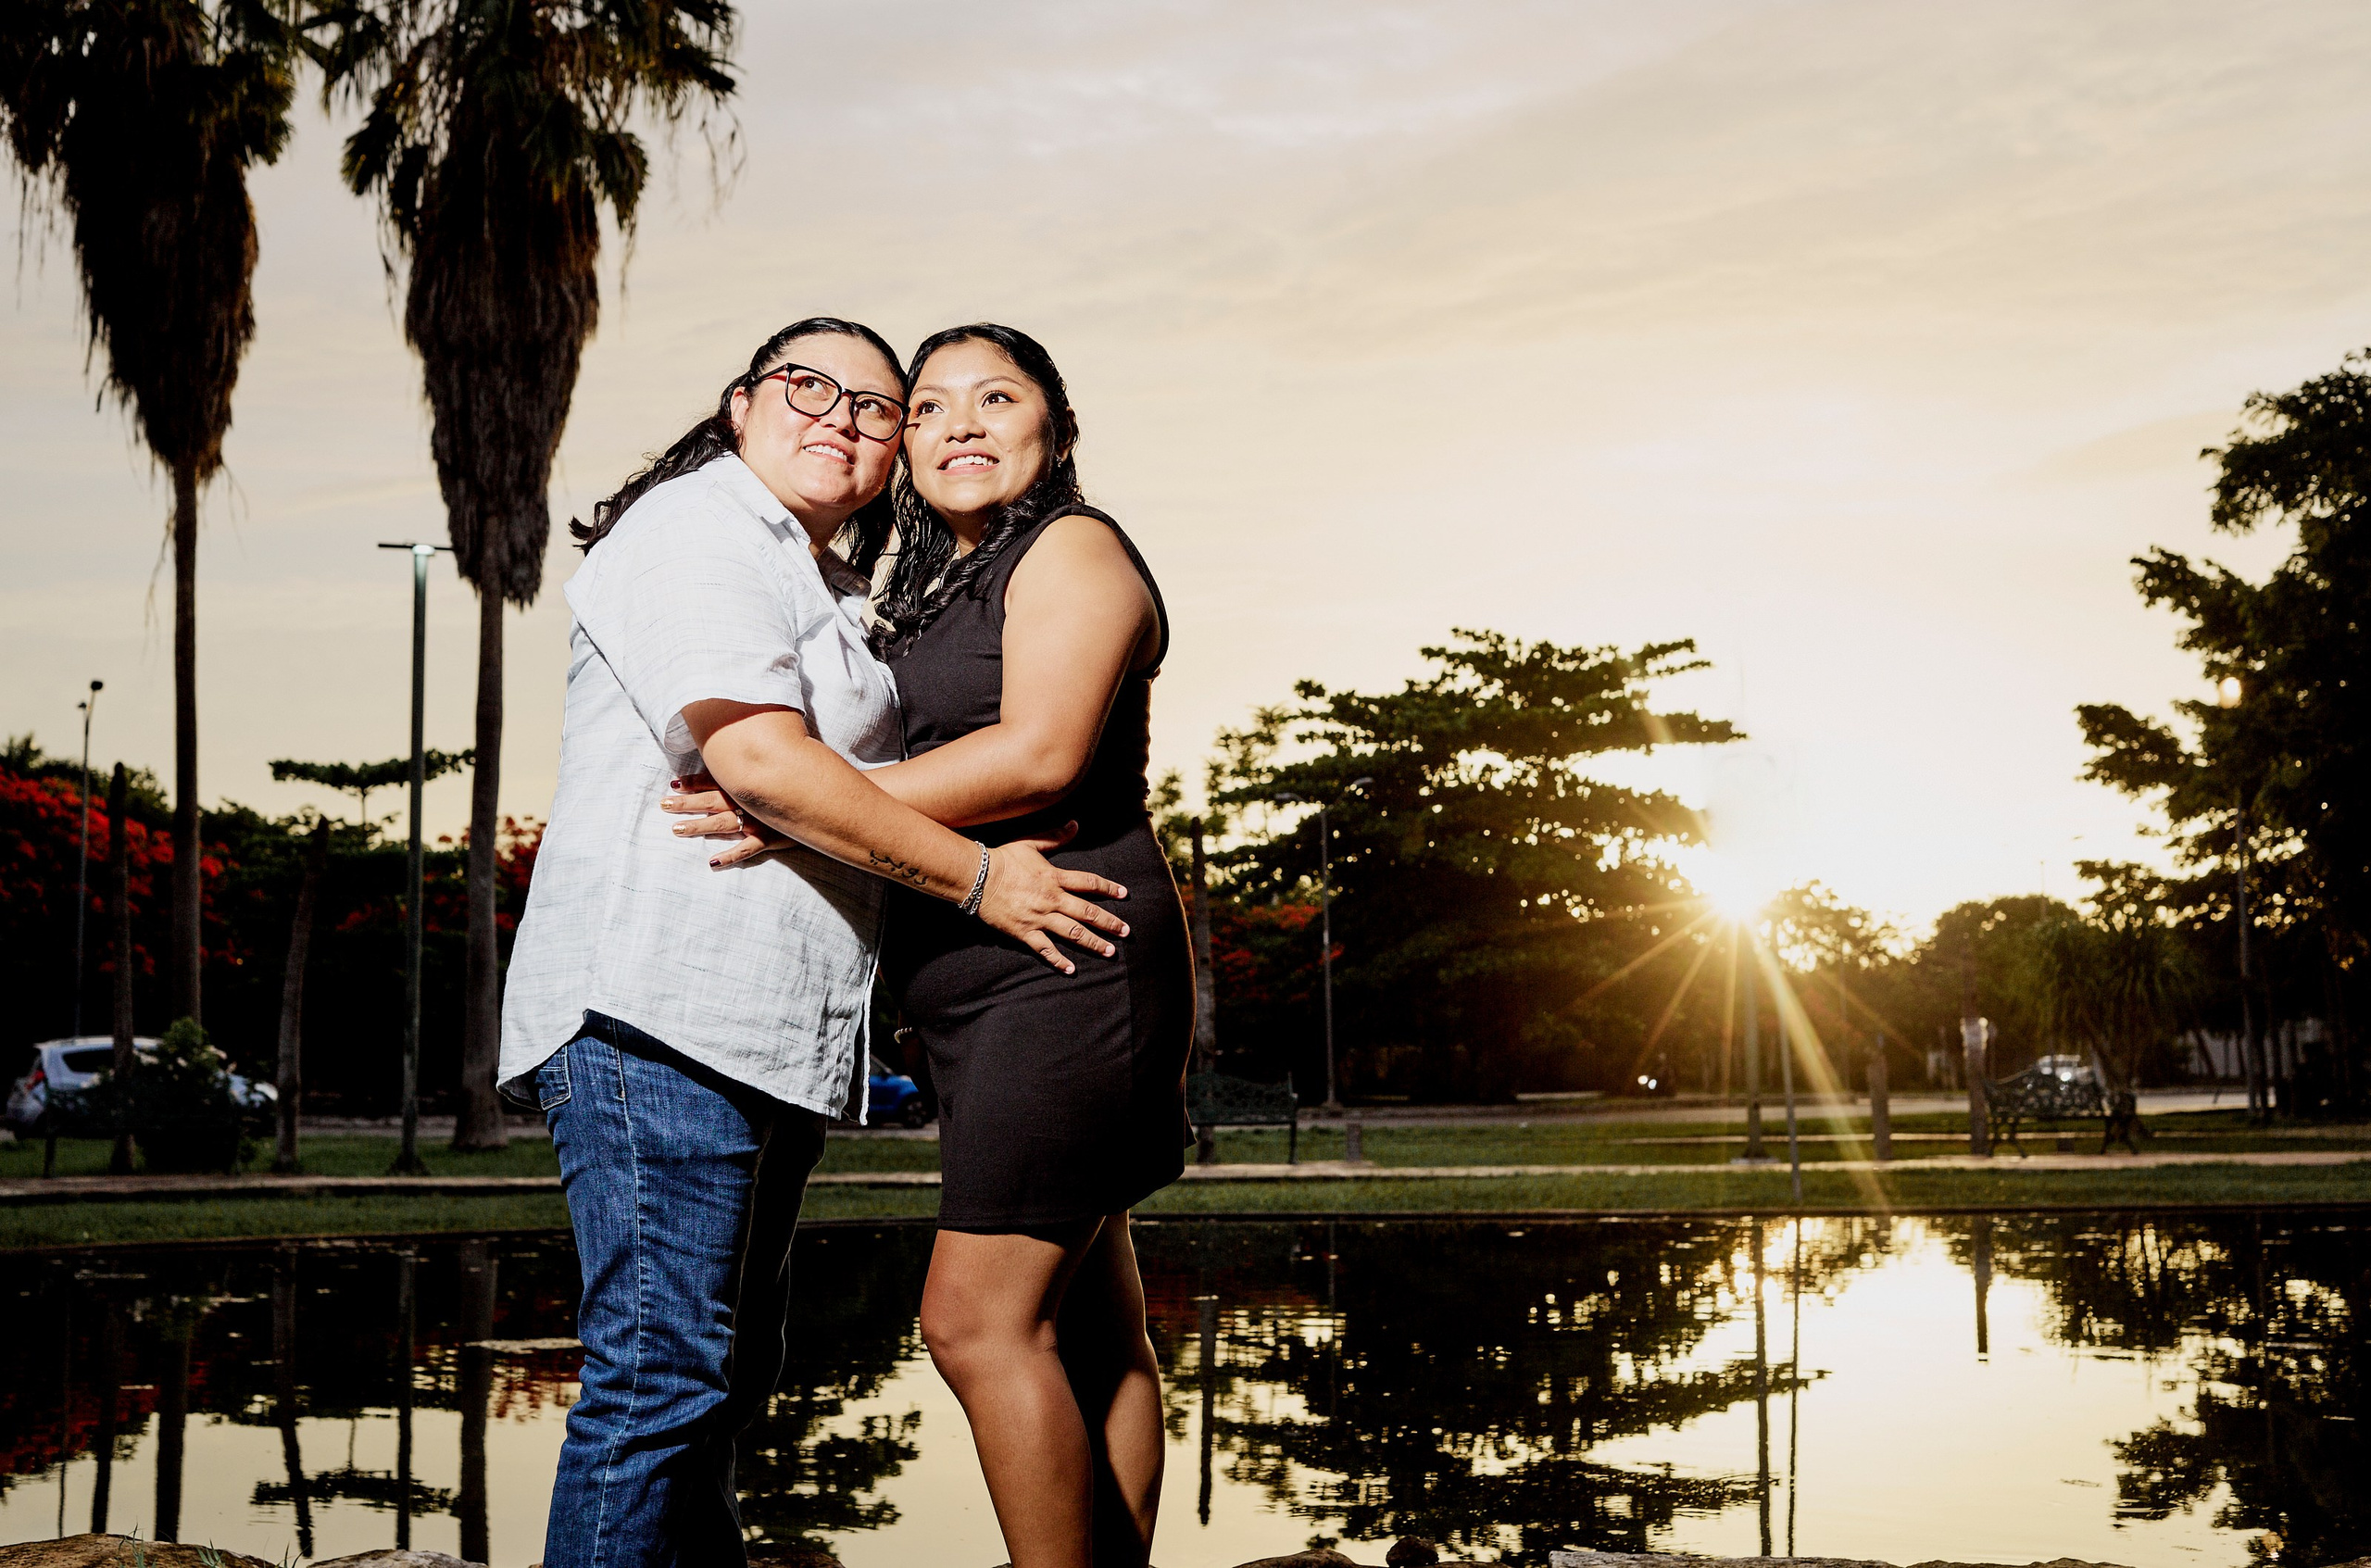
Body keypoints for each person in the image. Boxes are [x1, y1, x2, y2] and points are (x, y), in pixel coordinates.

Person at [500, 316, 1129, 1568]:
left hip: (759, 1032)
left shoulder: (833, 587)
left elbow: (828, 792)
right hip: (658, 1012)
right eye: (808, 385)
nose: (842, 415)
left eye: (876, 406)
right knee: (660, 1380)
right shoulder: (696, 529)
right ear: (740, 405)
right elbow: (764, 767)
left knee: (719, 1382)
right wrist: (980, 881)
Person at [672, 322, 1193, 1567]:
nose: (959, 424)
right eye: (929, 407)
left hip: (1067, 953)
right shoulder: (934, 583)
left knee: (973, 1324)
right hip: (978, 976)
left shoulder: (1073, 546)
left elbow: (1039, 755)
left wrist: (804, 803)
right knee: (1093, 1323)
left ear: (1054, 427)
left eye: (995, 398)